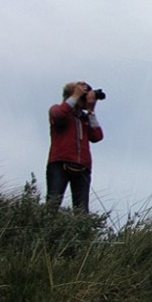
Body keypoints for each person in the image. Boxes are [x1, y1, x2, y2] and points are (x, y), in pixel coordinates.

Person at [46, 81, 104, 212]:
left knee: (81, 211)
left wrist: (91, 111)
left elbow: (97, 136)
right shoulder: (57, 110)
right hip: (60, 164)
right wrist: (76, 95)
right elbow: (58, 114)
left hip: (82, 167)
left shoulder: (85, 119)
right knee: (52, 204)